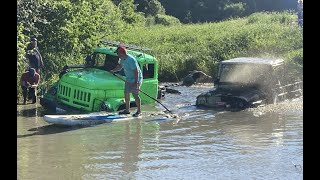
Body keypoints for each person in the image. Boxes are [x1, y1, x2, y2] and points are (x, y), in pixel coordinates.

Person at [110, 45, 143, 117]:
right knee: (126, 93)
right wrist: (113, 71)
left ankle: (139, 111)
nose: (117, 55)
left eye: (118, 53)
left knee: (135, 95)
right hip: (128, 79)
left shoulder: (131, 60)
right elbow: (119, 67)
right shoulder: (121, 59)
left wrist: (136, 83)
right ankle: (127, 110)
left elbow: (136, 71)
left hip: (136, 78)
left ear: (122, 53)